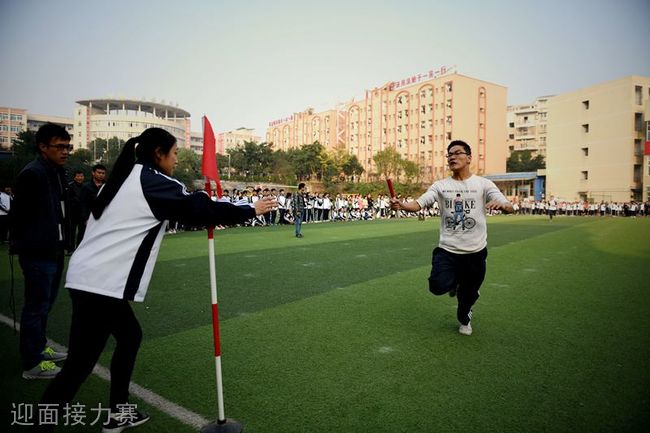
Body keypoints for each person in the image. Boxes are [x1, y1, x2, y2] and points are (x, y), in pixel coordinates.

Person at [39, 128, 276, 432]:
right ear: (158, 154)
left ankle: (118, 412)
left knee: (129, 337)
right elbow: (196, 210)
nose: (176, 160)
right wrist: (249, 209)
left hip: (91, 278)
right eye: (175, 153)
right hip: (99, 284)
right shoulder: (152, 182)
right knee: (78, 367)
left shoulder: (121, 178)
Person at [390, 140, 513, 336]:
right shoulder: (441, 186)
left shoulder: (483, 184)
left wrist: (505, 207)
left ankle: (465, 316)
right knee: (437, 286)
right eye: (449, 155)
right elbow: (420, 203)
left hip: (476, 252)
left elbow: (506, 204)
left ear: (469, 158)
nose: (452, 157)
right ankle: (455, 284)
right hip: (448, 250)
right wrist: (402, 206)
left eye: (457, 153)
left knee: (467, 300)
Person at [9, 123, 72, 379]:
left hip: (53, 250)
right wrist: (29, 244)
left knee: (44, 305)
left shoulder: (56, 172)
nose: (65, 151)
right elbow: (20, 216)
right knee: (35, 307)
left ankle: (41, 350)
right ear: (43, 147)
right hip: (37, 252)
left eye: (68, 146)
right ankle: (32, 363)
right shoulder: (32, 174)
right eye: (60, 147)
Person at [68, 170, 85, 248]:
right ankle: (70, 248)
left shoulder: (85, 187)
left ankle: (79, 247)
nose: (80, 178)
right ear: (74, 177)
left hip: (82, 213)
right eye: (78, 176)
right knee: (71, 231)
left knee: (82, 231)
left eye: (81, 176)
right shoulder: (70, 186)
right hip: (72, 212)